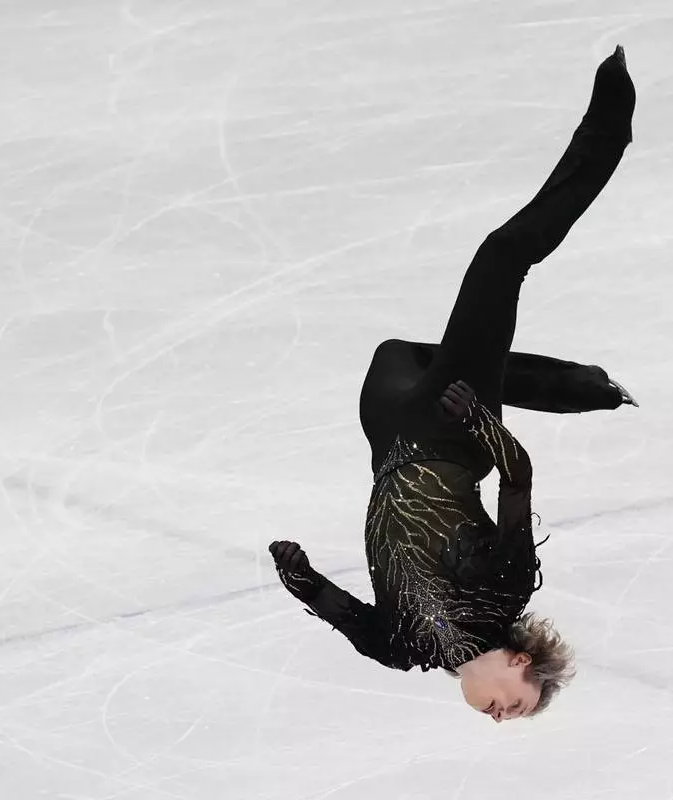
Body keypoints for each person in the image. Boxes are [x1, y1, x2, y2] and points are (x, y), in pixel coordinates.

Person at [269, 45, 636, 722]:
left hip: (383, 427)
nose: (500, 715)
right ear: (521, 664)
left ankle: (560, 385)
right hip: (449, 426)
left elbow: (339, 609)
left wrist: (299, 578)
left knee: (393, 348)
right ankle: (609, 130)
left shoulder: (398, 647)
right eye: (517, 706)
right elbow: (517, 476)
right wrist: (479, 422)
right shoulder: (505, 592)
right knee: (502, 257)